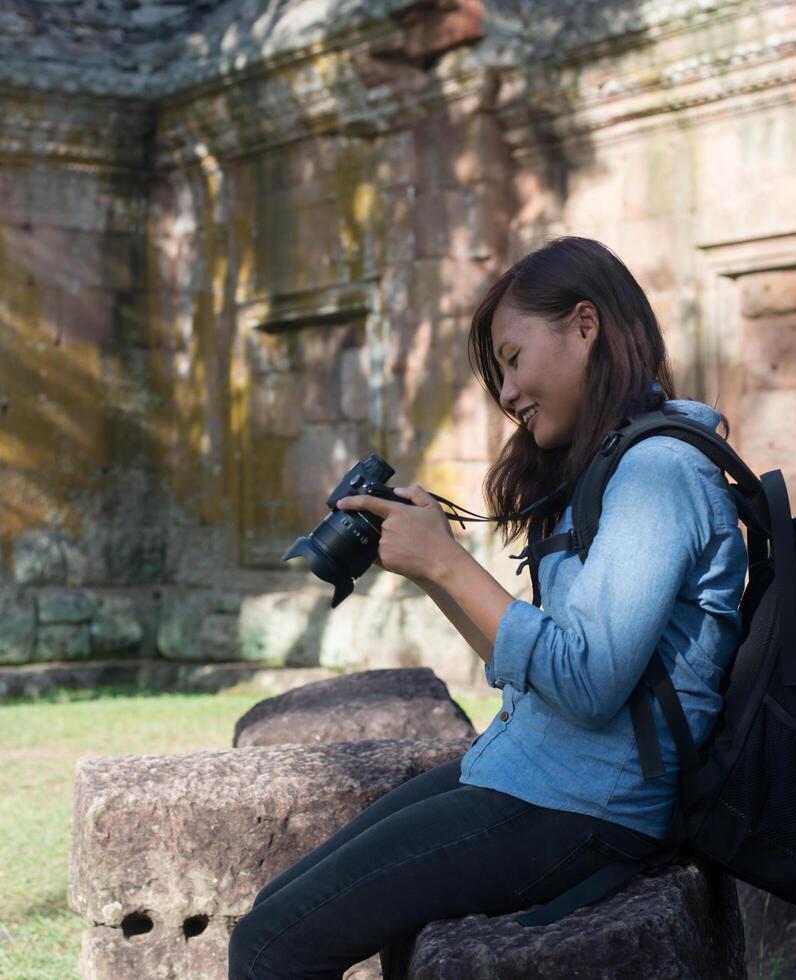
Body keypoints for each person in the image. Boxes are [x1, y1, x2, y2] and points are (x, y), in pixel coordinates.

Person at [227, 236, 749, 979]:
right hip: (536, 767)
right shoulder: (609, 464)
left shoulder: (658, 472)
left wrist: (448, 560)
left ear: (584, 325)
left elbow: (588, 683)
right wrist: (433, 574)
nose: (504, 393)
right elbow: (530, 671)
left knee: (270, 948)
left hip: (586, 804)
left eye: (510, 358)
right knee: (272, 914)